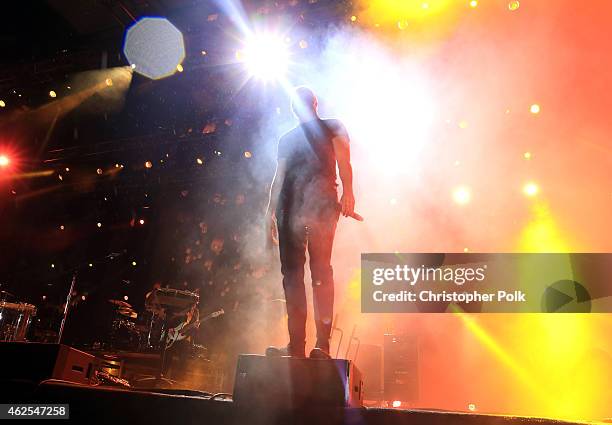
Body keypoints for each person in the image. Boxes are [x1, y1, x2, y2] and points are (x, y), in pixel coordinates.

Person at [265, 86, 355, 359]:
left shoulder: (333, 127)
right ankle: (298, 345)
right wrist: (271, 211)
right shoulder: (287, 139)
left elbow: (344, 162)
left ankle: (321, 346)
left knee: (318, 273)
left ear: (313, 103)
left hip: (321, 205)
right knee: (295, 276)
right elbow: (279, 178)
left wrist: (348, 192)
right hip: (289, 208)